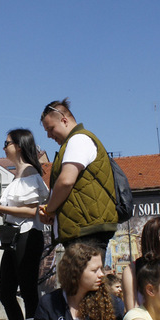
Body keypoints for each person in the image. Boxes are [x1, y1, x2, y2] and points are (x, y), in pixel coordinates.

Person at [0, 129, 49, 320]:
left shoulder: (29, 172)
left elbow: (31, 210)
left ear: (18, 145)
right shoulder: (19, 174)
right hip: (16, 237)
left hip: (27, 235)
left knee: (27, 291)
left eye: (6, 143)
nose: (4, 147)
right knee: (6, 292)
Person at [39, 98, 117, 252]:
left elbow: (66, 181)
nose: (49, 135)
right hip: (85, 228)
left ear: (64, 120)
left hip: (86, 230)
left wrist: (50, 209)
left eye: (50, 128)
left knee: (85, 275)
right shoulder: (75, 142)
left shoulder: (78, 140)